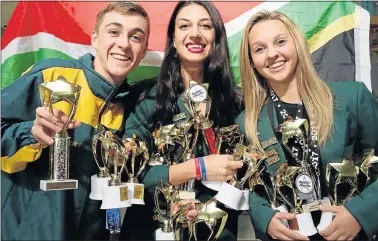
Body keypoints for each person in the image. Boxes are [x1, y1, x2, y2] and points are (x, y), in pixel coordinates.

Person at [1, 2, 150, 240]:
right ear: (95, 39)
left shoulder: (132, 109)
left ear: (143, 51)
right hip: (26, 232)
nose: (124, 43)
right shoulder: (51, 75)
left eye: (135, 37)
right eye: (114, 31)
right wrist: (31, 132)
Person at [236, 10, 378, 241]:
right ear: (252, 62)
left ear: (297, 44)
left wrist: (361, 214)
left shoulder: (351, 97)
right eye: (259, 49)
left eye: (280, 42)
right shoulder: (248, 124)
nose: (272, 54)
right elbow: (254, 188)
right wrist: (266, 220)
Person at [120, 1, 244, 240]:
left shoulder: (237, 103)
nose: (195, 33)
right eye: (184, 25)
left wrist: (213, 207)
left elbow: (249, 178)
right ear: (173, 39)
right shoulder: (147, 97)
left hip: (214, 231)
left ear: (217, 38)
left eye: (205, 26)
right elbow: (129, 176)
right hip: (151, 229)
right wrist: (197, 168)